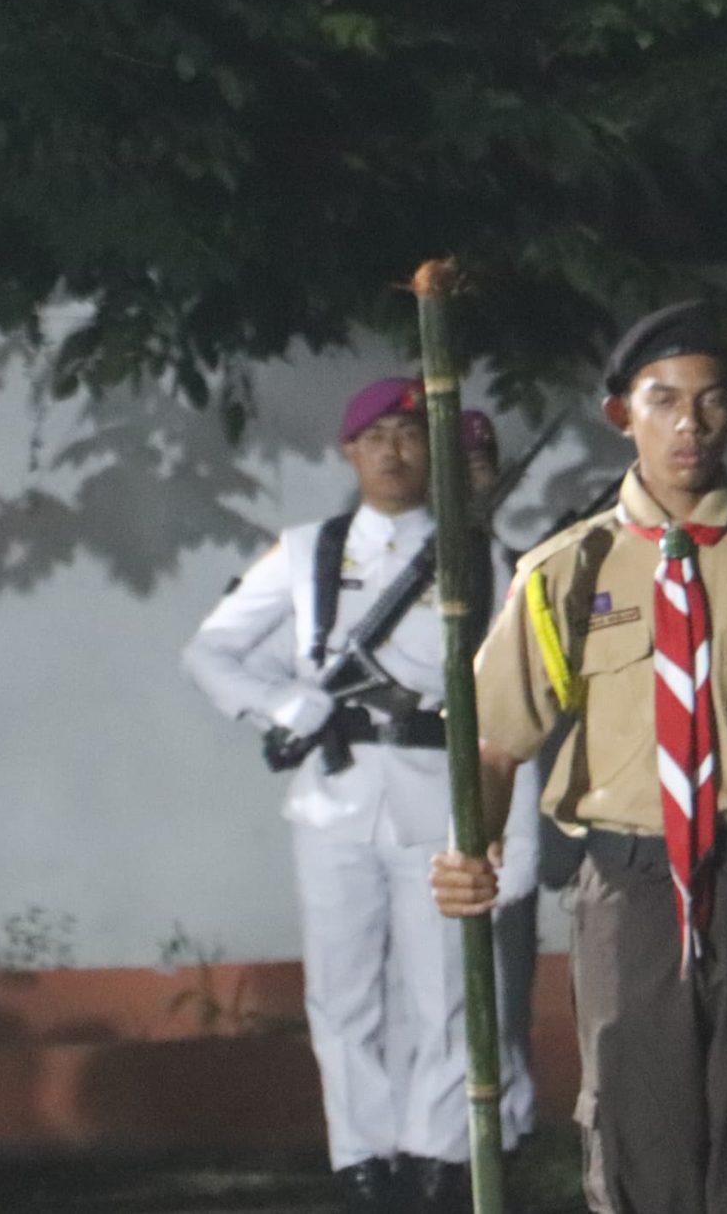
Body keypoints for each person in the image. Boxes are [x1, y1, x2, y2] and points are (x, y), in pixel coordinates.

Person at [433, 301, 727, 1214]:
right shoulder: (564, 571)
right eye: (664, 399)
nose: (690, 423)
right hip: (630, 889)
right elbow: (495, 742)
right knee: (639, 1151)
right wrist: (470, 850)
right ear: (622, 415)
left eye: (711, 400)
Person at [183, 378, 529, 1214]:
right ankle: (362, 1156)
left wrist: (506, 832)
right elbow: (212, 651)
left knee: (443, 987)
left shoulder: (481, 555)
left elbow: (513, 698)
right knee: (342, 991)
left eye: (410, 435)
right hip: (334, 792)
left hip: (436, 793)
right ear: (349, 451)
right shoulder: (305, 550)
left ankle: (436, 1149)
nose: (393, 451)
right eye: (375, 436)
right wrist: (293, 704)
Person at [456, 408, 539, 1155]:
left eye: (482, 466)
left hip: (506, 764)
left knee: (506, 949)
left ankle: (509, 1120)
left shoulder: (523, 569)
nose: (470, 480)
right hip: (414, 771)